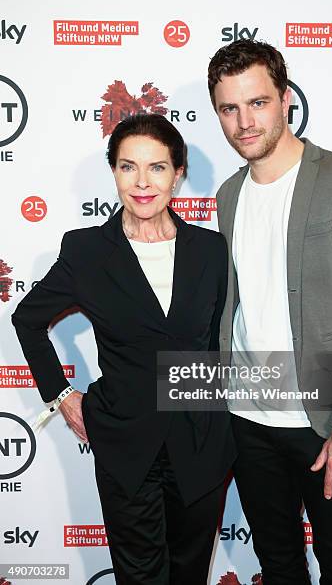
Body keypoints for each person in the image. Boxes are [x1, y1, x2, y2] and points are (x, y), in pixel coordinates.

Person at [12, 114, 236, 585]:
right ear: (113, 171)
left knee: (189, 574)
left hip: (201, 441)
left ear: (178, 173)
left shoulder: (210, 250)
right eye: (128, 167)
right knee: (139, 577)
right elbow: (27, 320)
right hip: (125, 443)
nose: (142, 182)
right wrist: (61, 394)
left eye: (156, 168)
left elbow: (219, 345)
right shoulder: (87, 251)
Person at [207, 39, 332, 584]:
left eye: (258, 102)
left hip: (325, 425)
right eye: (229, 108)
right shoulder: (227, 195)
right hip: (247, 422)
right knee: (279, 564)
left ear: (286, 99)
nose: (245, 121)